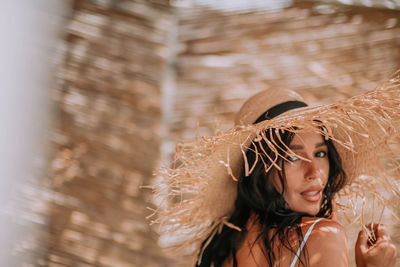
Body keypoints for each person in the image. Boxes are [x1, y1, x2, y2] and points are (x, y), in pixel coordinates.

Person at [153, 85, 400, 267]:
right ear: (260, 168)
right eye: (293, 157)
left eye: (321, 153)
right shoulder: (323, 237)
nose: (314, 173)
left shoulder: (218, 247)